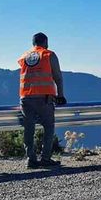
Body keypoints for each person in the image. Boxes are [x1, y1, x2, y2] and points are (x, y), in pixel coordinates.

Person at [18, 32, 67, 169]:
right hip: (44, 98)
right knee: (49, 127)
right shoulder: (48, 54)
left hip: (26, 98)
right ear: (45, 42)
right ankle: (45, 158)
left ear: (33, 43)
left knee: (29, 129)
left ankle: (31, 159)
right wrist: (60, 95)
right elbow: (57, 76)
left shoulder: (24, 57)